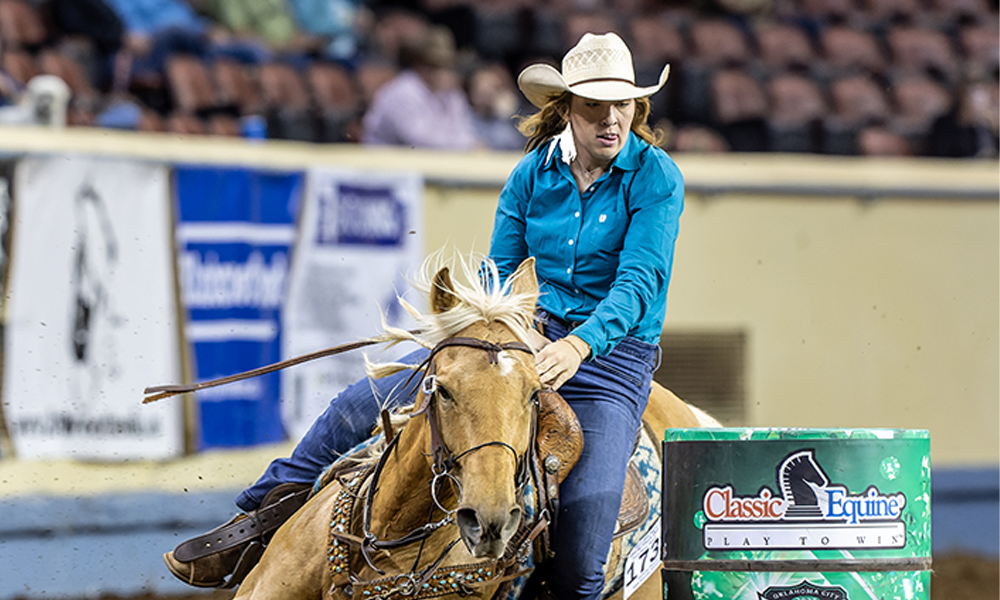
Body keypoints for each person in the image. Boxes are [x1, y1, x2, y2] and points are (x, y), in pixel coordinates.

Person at [164, 31, 683, 600]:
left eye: (623, 106)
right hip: (519, 341)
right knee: (358, 403)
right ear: (566, 110)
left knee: (585, 539)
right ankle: (258, 524)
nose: (611, 120)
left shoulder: (655, 177)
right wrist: (490, 328)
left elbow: (640, 282)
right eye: (594, 107)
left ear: (638, 107)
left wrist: (577, 346)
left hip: (608, 362)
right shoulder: (532, 174)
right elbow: (500, 273)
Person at [360, 24, 480, 149]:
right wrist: (467, 145)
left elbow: (463, 129)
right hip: (383, 163)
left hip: (425, 162)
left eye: (446, 66)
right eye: (435, 66)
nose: (443, 73)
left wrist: (472, 144)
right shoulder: (401, 92)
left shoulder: (451, 93)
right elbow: (420, 140)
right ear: (420, 65)